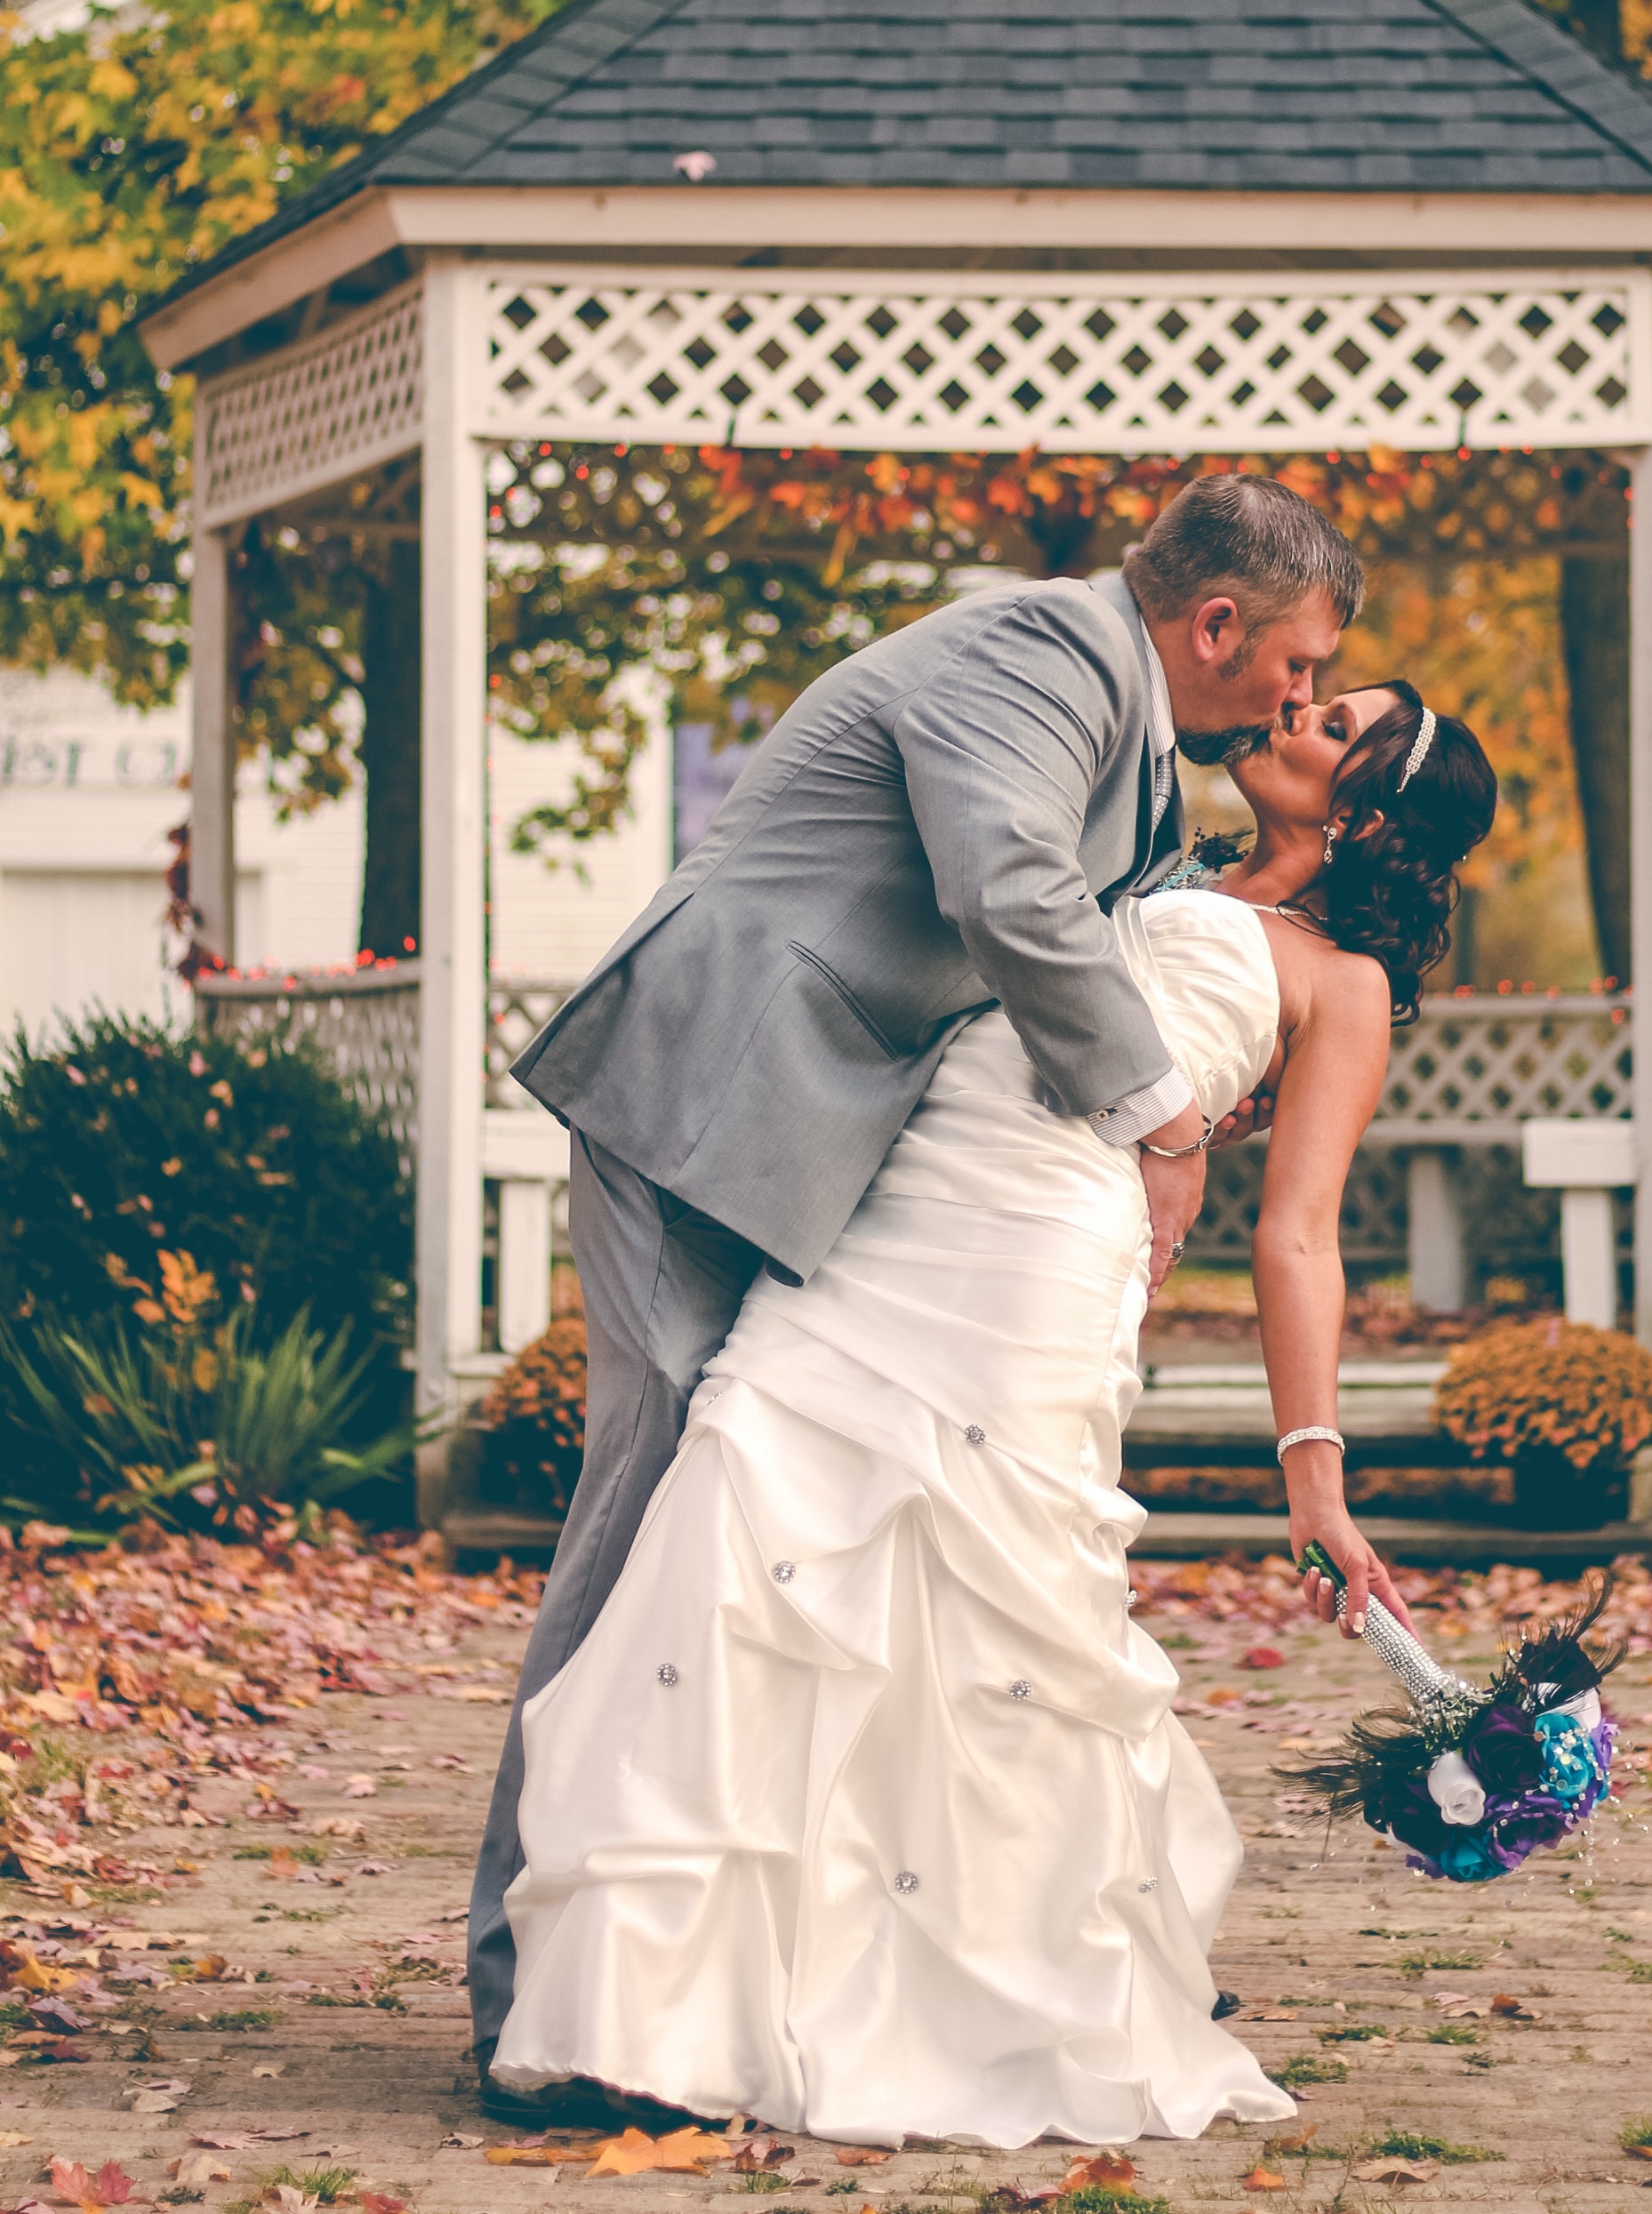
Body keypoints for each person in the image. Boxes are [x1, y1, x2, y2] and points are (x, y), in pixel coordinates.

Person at [485, 673, 1496, 2140]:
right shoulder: (1148, 851)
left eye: (1337, 727)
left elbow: (1304, 1235)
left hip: (1035, 1265)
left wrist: (1314, 1472)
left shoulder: (1340, 984)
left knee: (996, 1623)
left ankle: (991, 1987)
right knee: (733, 1525)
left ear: (1368, 814)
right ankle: (655, 2012)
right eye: (1316, 696)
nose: (1295, 712)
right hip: (890, 1209)